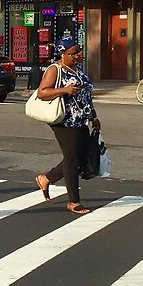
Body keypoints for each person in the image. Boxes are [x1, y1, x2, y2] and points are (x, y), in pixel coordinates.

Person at [32, 38, 100, 215]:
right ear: (63, 54)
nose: (78, 56)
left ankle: (46, 178)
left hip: (81, 119)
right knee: (71, 159)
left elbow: (86, 96)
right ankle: (73, 201)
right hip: (64, 121)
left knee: (80, 156)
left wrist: (94, 116)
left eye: (79, 52)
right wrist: (64, 90)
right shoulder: (55, 70)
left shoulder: (77, 70)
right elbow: (42, 92)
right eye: (73, 53)